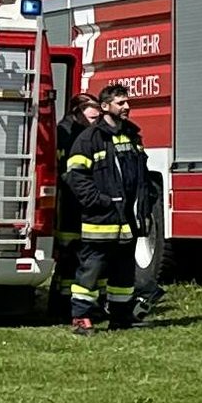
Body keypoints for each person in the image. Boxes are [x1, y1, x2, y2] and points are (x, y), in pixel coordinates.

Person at [59, 79, 152, 333]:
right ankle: (81, 317)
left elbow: (141, 174)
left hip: (128, 222)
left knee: (123, 274)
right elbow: (75, 175)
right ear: (105, 106)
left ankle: (121, 317)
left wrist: (146, 202)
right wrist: (98, 201)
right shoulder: (89, 139)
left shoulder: (132, 136)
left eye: (127, 101)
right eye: (120, 102)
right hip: (101, 220)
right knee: (90, 270)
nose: (127, 106)